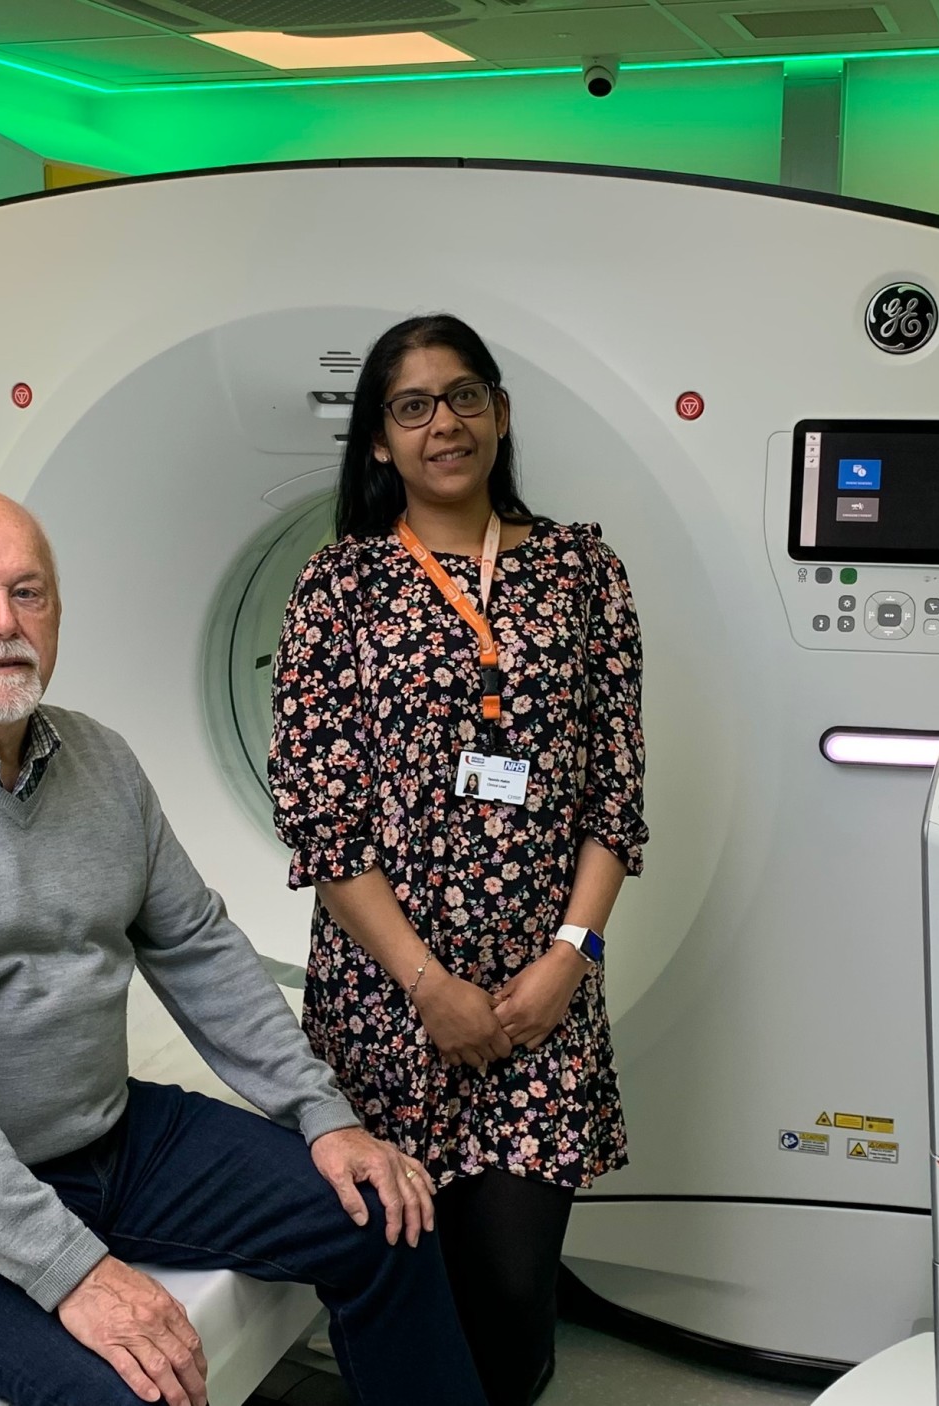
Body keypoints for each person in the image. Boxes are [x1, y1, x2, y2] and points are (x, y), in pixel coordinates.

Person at [0, 486, 487, 1406]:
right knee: (135, 1390)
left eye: (29, 592)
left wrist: (320, 1111)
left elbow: (200, 947)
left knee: (386, 1218)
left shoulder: (100, 762)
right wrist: (72, 1272)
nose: (3, 625)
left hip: (101, 1141)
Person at [268, 314, 648, 1404]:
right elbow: (322, 816)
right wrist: (428, 985)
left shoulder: (585, 570)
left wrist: (567, 957)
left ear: (501, 413)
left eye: (466, 395)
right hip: (391, 998)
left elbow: (614, 790)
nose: (447, 423)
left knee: (514, 1283)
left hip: (543, 993)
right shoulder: (336, 585)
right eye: (414, 405)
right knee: (403, 1280)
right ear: (379, 442)